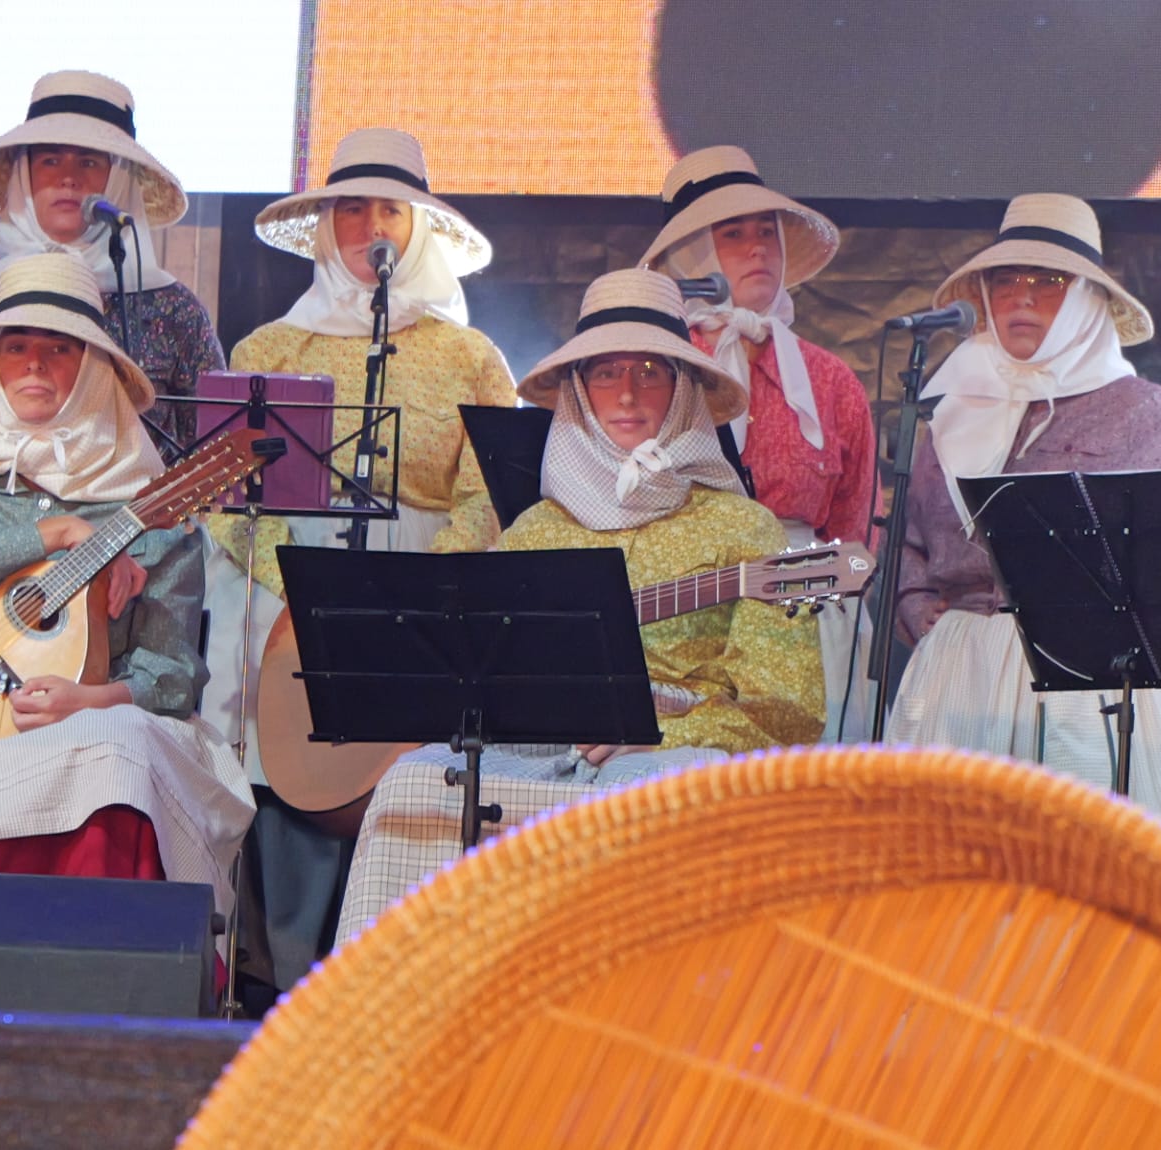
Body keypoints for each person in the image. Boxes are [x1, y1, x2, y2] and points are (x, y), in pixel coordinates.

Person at [334, 268, 824, 945]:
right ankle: (397, 1028)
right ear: (578, 392)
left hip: (674, 755)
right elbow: (492, 678)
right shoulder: (536, 530)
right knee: (412, 783)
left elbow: (785, 707)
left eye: (651, 371)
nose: (626, 393)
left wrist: (657, 731)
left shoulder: (745, 530)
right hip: (537, 749)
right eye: (604, 373)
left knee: (644, 789)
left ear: (684, 389)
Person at [0, 252, 253, 912]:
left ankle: (88, 970)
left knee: (115, 756)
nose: (35, 364)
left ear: (93, 373)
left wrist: (91, 700)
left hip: (79, 724)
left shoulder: (154, 512)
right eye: (17, 346)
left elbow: (172, 672)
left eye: (61, 349)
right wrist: (52, 532)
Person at [201, 126, 516, 993]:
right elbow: (225, 495)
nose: (368, 225)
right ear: (323, 227)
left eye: (388, 208)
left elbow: (492, 490)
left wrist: (435, 583)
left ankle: (390, 986)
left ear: (417, 228)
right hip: (288, 589)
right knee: (290, 775)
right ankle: (278, 981)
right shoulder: (270, 350)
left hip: (420, 586)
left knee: (404, 777)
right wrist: (288, 585)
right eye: (350, 208)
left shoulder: (470, 355)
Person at [889, 194, 1161, 832]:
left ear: (1090, 299)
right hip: (957, 669)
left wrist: (1131, 614)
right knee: (944, 872)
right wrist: (920, 610)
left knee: (1073, 868)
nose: (1023, 297)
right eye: (1006, 279)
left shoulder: (1138, 410)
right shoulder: (953, 410)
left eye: (1049, 280)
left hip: (1079, 677)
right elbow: (910, 537)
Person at [640, 145, 877, 740]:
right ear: (693, 252)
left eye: (766, 233)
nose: (756, 249)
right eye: (733, 233)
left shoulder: (829, 381)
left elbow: (854, 528)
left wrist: (819, 588)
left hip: (807, 616)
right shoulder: (652, 372)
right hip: (681, 621)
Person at [0, 70, 222, 457]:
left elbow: (211, 448)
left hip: (145, 515)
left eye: (89, 163)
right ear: (24, 177)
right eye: (50, 160)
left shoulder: (174, 310)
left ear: (118, 180)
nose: (68, 178)